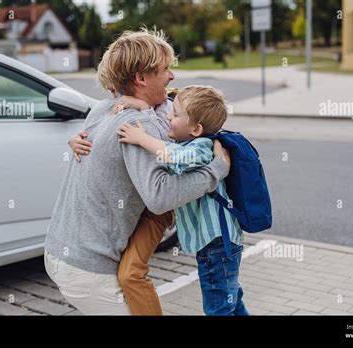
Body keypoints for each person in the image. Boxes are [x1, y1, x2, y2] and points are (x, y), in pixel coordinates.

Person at [44, 28, 231, 315]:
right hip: (90, 271)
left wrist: (144, 107)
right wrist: (214, 171)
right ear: (141, 78)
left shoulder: (105, 108)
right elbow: (160, 196)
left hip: (57, 250)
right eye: (165, 69)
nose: (172, 76)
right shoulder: (138, 126)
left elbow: (185, 110)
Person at [114, 85, 249, 316]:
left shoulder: (202, 147)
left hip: (217, 245)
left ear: (196, 129)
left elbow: (174, 157)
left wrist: (142, 138)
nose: (168, 116)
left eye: (175, 115)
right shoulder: (194, 141)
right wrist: (144, 107)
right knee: (230, 298)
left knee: (218, 306)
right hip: (217, 245)